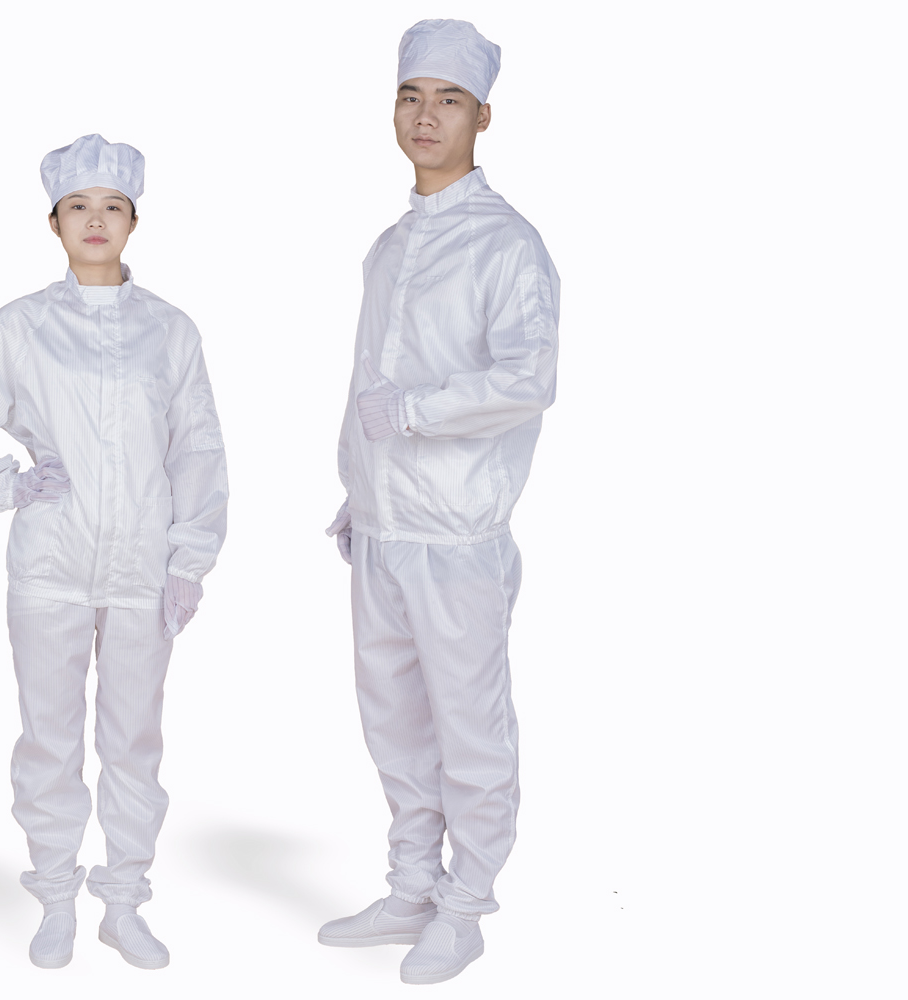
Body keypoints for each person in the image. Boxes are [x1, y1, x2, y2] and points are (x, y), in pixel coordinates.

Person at [0, 134, 228, 971]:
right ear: (53, 223)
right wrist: (6, 484)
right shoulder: (22, 327)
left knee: (133, 741)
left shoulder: (170, 331)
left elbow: (197, 447)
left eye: (112, 207)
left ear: (134, 222)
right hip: (50, 566)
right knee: (49, 738)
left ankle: (122, 903)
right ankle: (55, 896)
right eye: (78, 207)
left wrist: (188, 560)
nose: (96, 220)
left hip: (141, 568)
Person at [318, 20, 561, 986]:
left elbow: (528, 378)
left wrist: (416, 413)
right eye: (411, 98)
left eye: (448, 100)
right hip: (382, 528)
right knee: (391, 719)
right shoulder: (390, 246)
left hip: (456, 534)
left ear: (482, 117)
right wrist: (357, 489)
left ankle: (466, 906)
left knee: (468, 724)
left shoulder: (505, 245)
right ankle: (412, 884)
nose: (426, 117)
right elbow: (364, 385)